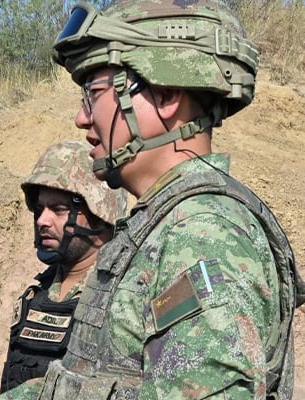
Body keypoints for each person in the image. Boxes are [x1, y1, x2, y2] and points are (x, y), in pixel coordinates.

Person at [38, 1, 305, 399]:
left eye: (94, 93)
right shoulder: (164, 224)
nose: (82, 118)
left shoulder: (201, 236)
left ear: (165, 93)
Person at [0, 140, 126, 399]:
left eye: (58, 210)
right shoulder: (37, 294)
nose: (42, 221)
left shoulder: (121, 296)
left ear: (100, 212)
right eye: (39, 209)